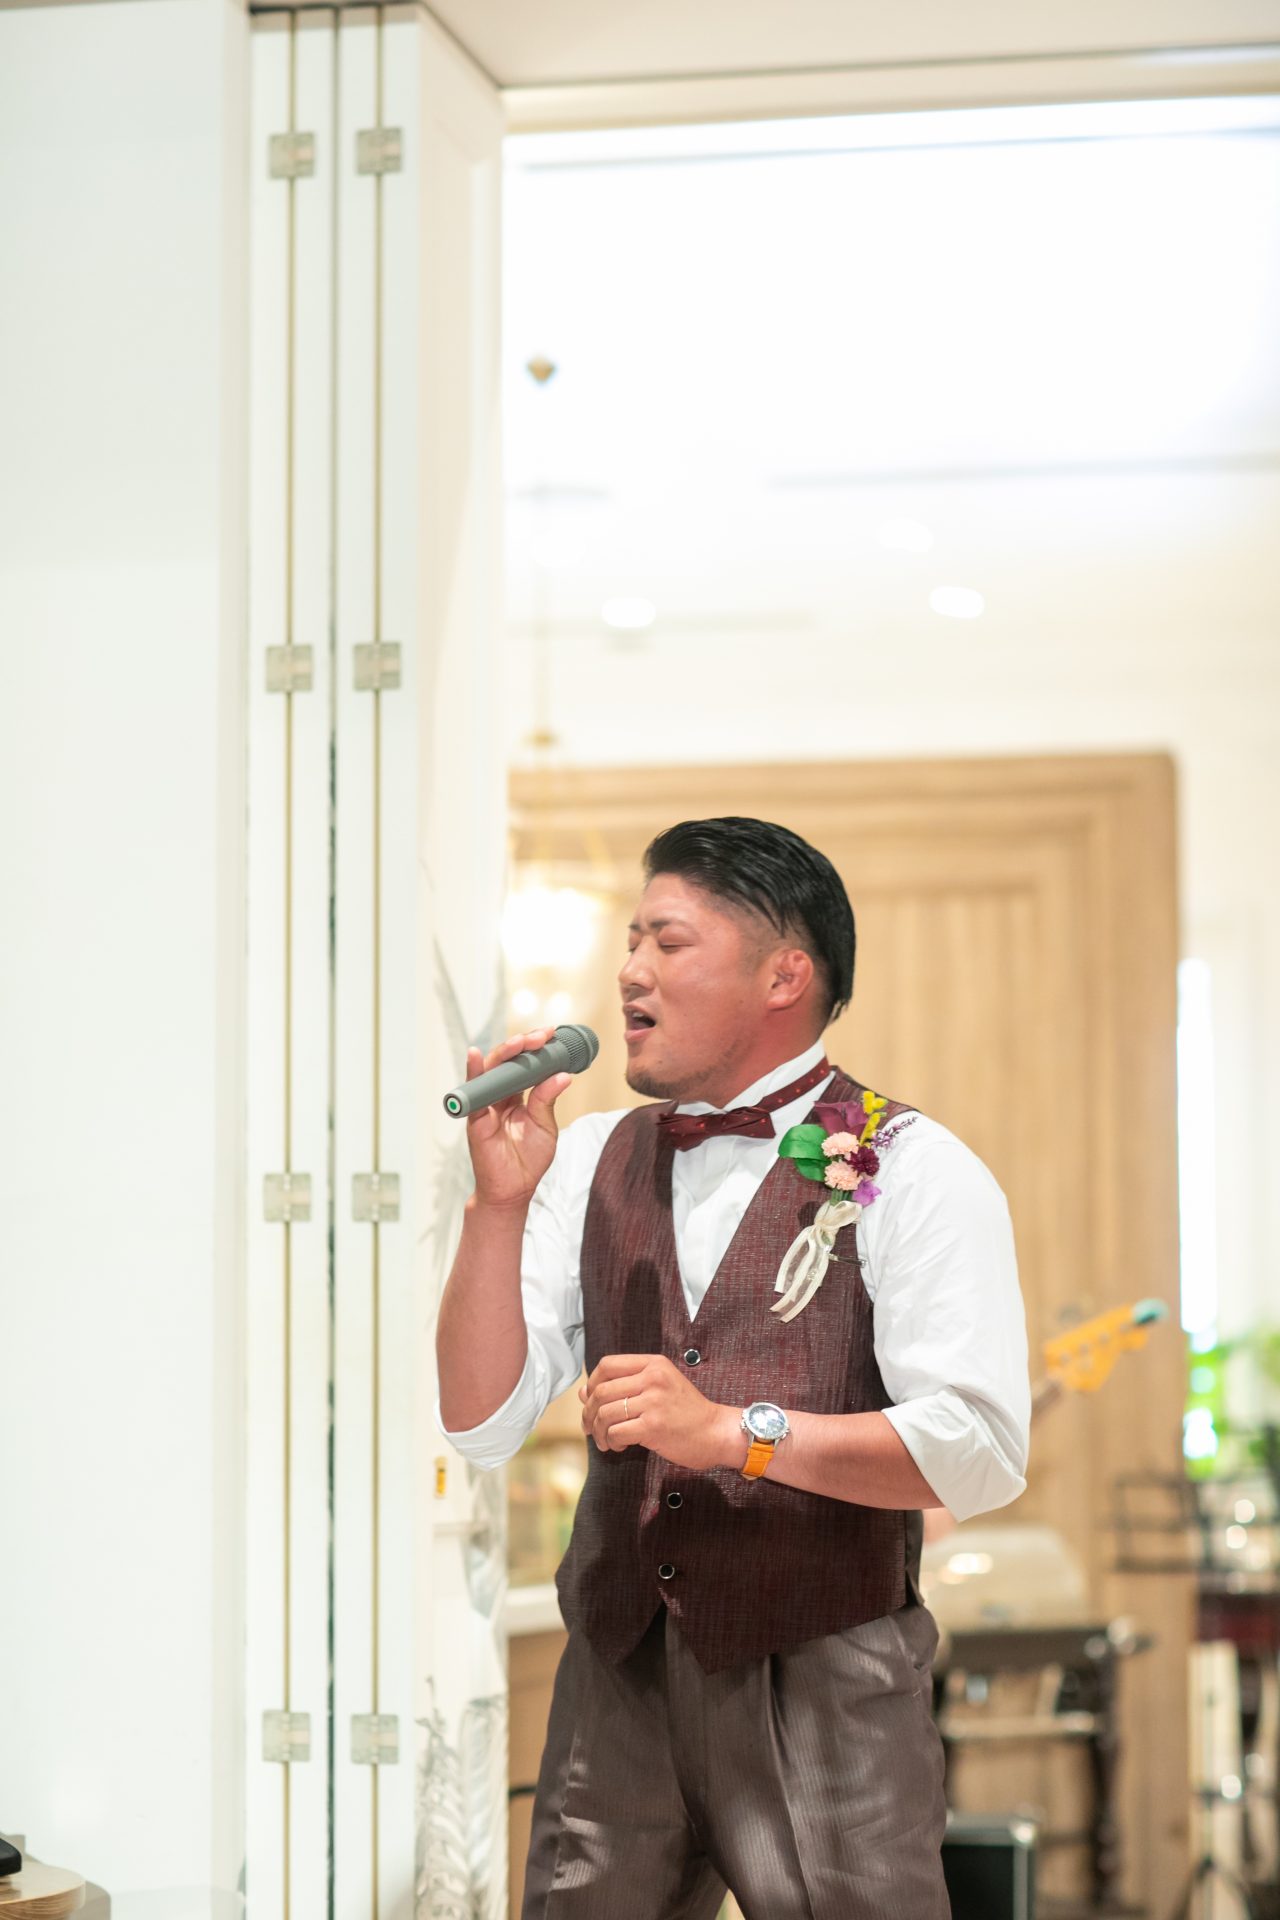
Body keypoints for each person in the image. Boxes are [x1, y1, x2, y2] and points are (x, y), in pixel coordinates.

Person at [437, 816, 1030, 1920]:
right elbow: (479, 1422)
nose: (629, 971)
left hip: (828, 1683)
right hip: (617, 1674)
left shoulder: (915, 1169)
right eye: (630, 941)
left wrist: (730, 1433)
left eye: (667, 942)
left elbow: (978, 1452)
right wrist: (499, 1206)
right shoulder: (590, 1159)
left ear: (783, 976)